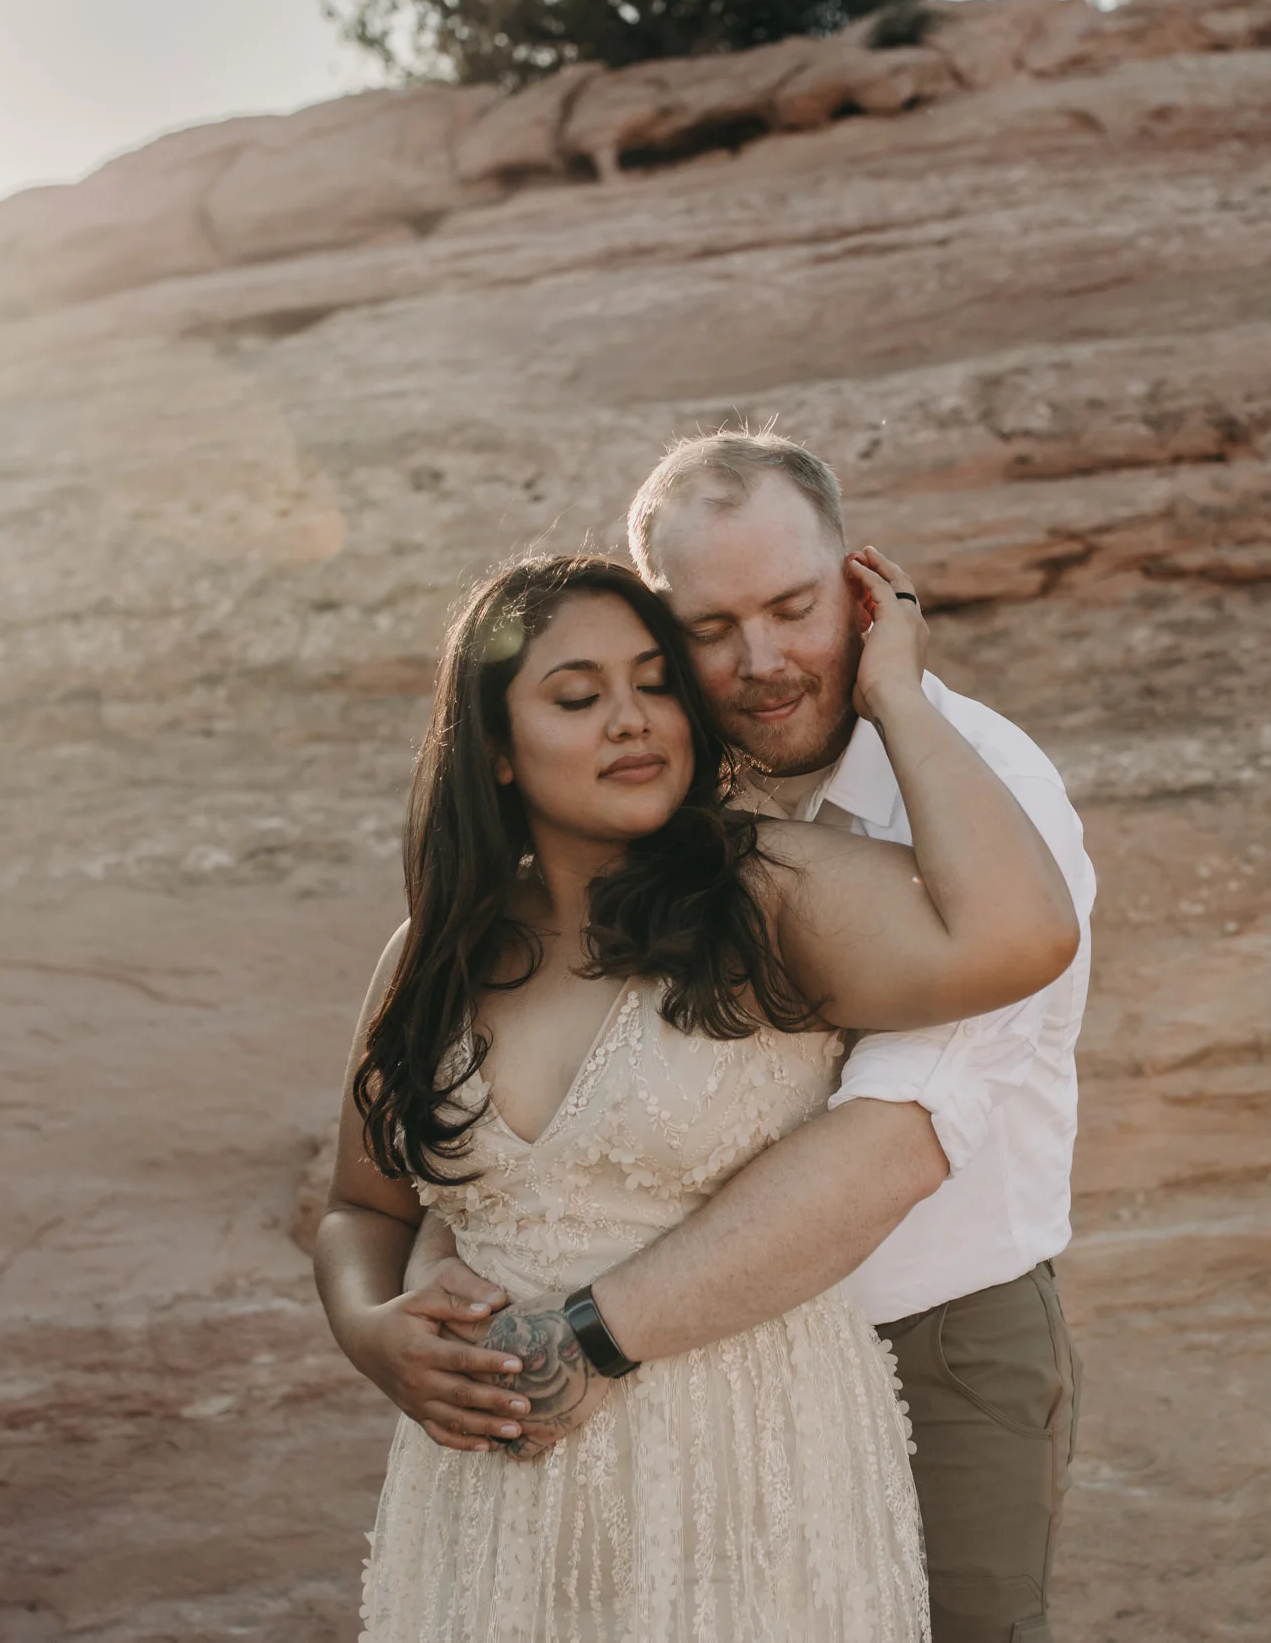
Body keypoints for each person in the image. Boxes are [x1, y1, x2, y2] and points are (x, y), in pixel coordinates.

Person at [397, 432, 1099, 1642]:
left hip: (929, 1332)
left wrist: (580, 1339)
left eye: (794, 606)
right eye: (708, 628)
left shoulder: (990, 793)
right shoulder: (661, 780)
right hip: (686, 1354)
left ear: (862, 590)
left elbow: (893, 1137)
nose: (761, 661)